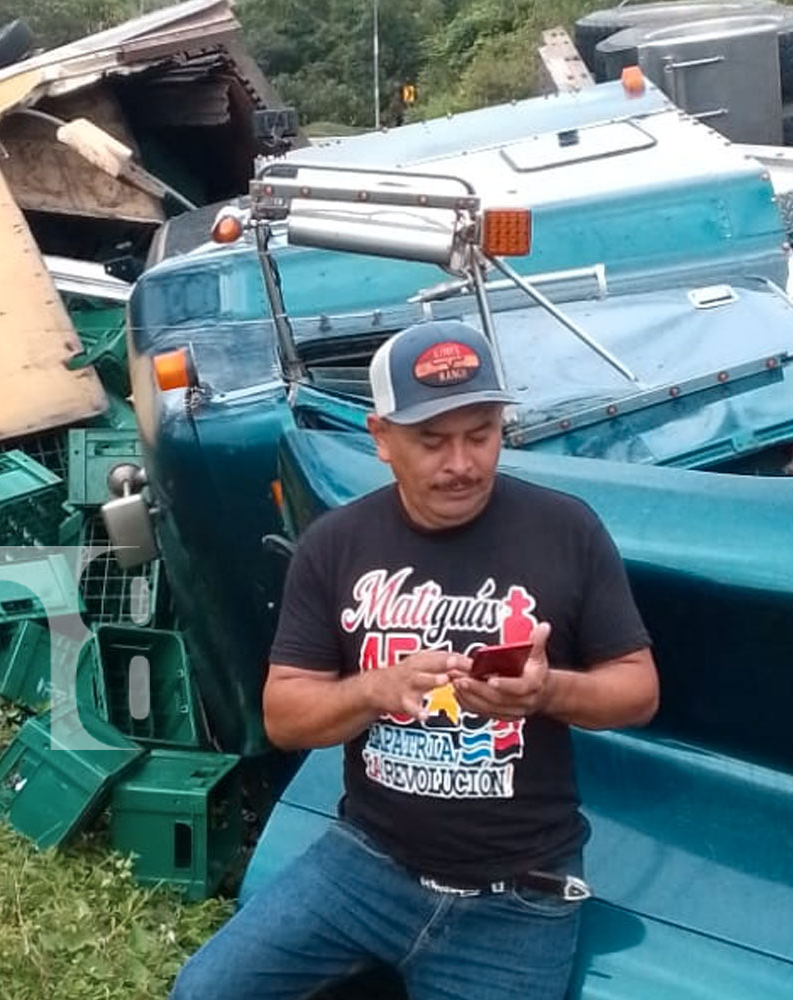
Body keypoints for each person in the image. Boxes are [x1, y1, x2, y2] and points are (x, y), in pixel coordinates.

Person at [168, 319, 659, 1000]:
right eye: (432, 442)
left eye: (480, 434)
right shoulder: (337, 544)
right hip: (367, 865)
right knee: (205, 992)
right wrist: (374, 689)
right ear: (381, 439)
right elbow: (284, 716)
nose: (462, 463)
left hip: (516, 897)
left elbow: (637, 690)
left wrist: (546, 693)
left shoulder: (567, 530)